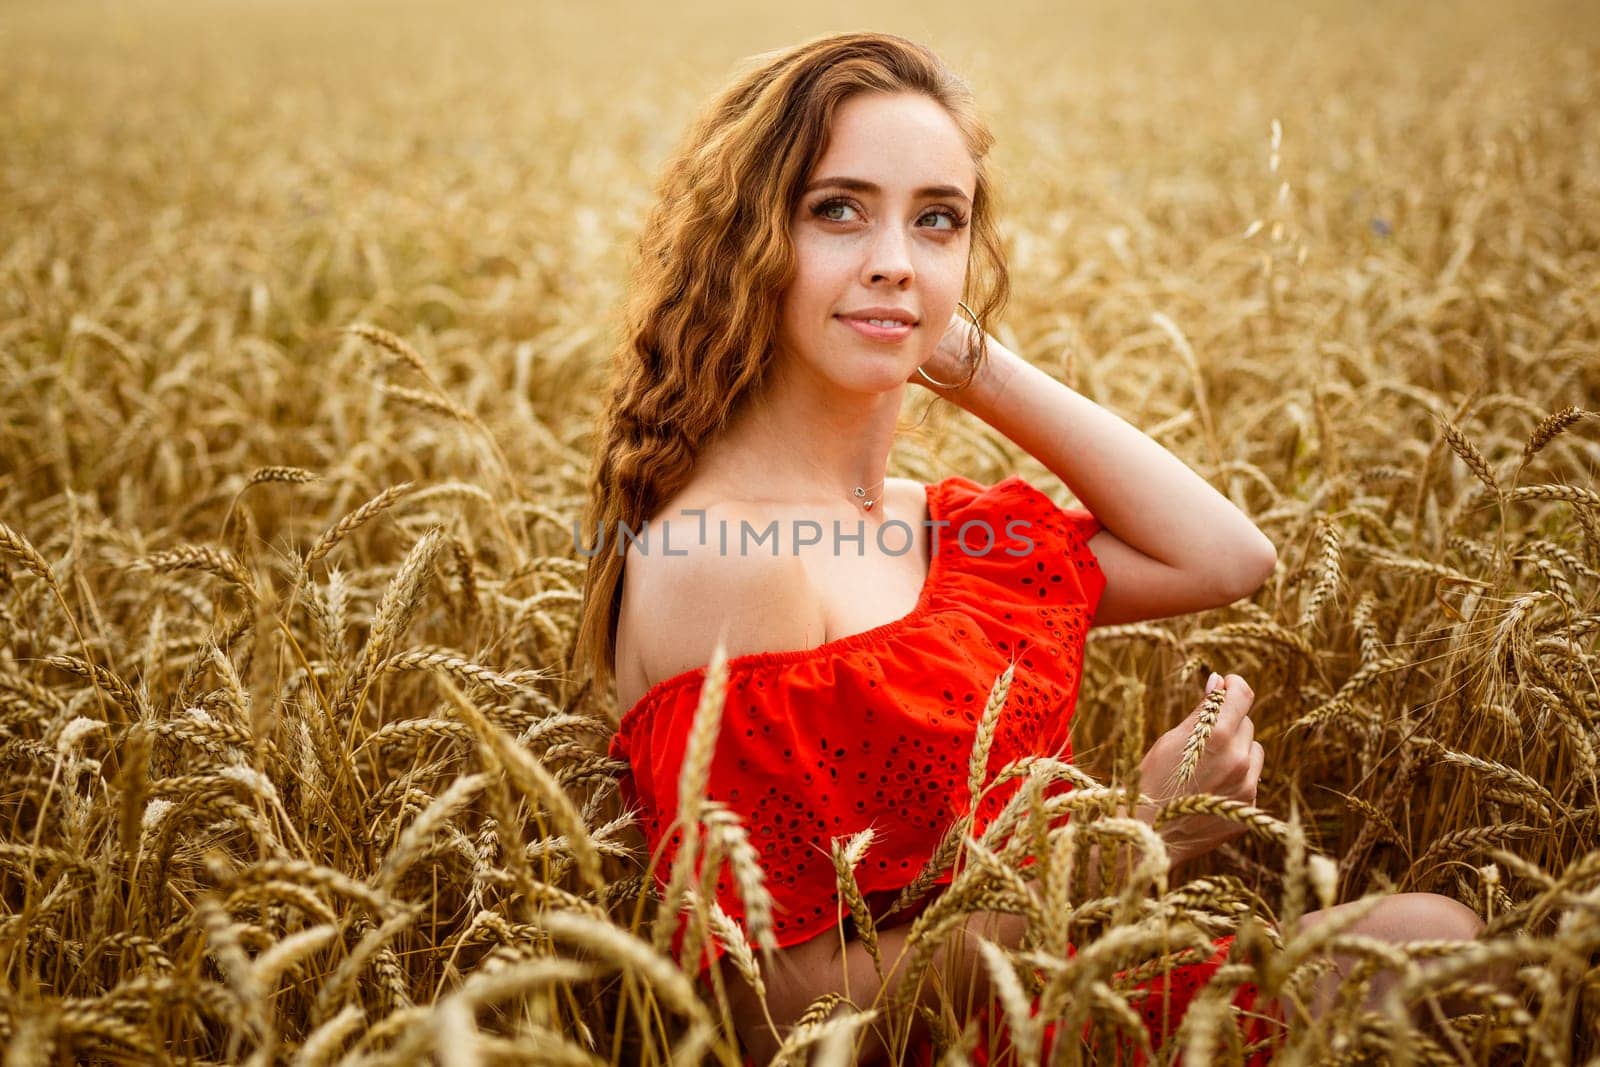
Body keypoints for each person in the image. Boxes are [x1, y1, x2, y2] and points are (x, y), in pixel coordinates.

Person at [574, 31, 1485, 1065]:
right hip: (961, 1044)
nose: (890, 257)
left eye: (936, 220)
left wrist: (960, 356)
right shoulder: (731, 551)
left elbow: (1226, 555)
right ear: (744, 243)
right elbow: (774, 1018)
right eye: (837, 209)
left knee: (1430, 940)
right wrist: (1130, 843)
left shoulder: (940, 527)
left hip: (1057, 988)